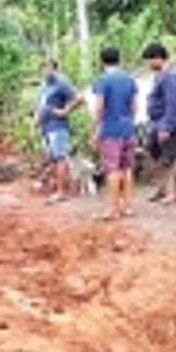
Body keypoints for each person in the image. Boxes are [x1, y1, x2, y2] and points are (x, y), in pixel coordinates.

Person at [90, 46, 139, 221]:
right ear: (119, 59)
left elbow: (99, 107)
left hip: (110, 130)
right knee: (127, 168)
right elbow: (134, 107)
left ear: (102, 61)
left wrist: (95, 130)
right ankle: (128, 207)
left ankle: (113, 209)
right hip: (128, 128)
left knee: (112, 169)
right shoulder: (129, 79)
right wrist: (128, 122)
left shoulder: (102, 80)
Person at [143, 42, 176, 204]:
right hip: (156, 122)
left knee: (174, 156)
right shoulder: (161, 74)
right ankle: (162, 188)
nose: (147, 64)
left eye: (148, 60)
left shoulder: (170, 76)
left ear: (157, 58)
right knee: (152, 152)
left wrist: (167, 127)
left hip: (165, 122)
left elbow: (172, 102)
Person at [35, 60, 83, 202]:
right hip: (46, 127)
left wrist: (65, 111)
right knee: (53, 158)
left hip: (58, 126)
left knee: (60, 157)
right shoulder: (44, 85)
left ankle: (62, 192)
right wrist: (36, 120)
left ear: (55, 69)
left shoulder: (62, 83)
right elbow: (41, 105)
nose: (45, 72)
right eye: (43, 69)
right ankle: (59, 188)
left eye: (48, 69)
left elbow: (79, 99)